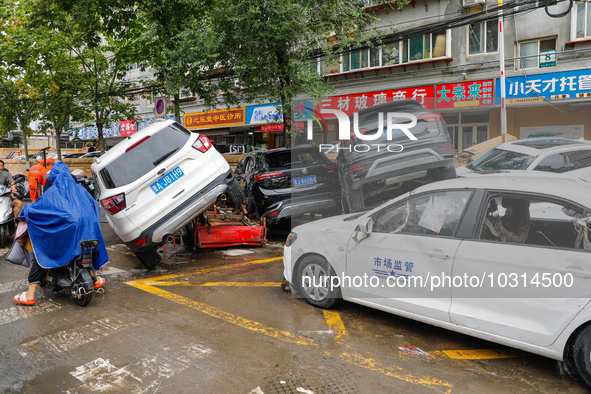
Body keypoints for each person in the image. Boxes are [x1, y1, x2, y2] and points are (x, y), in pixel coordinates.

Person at [9, 162, 109, 305]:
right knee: (88, 248)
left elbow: (37, 207)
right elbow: (94, 205)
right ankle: (95, 277)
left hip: (67, 235)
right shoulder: (81, 190)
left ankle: (30, 294)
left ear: (53, 176)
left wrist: (25, 211)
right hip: (88, 233)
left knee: (43, 252)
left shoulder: (53, 192)